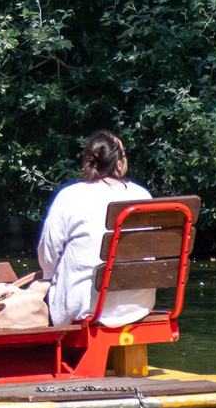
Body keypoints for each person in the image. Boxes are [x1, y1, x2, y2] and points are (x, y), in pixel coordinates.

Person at [36, 129, 155, 328]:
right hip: (137, 304)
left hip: (84, 306)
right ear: (119, 163)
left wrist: (49, 277)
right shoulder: (142, 195)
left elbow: (48, 253)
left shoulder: (70, 196)